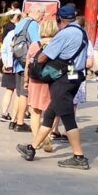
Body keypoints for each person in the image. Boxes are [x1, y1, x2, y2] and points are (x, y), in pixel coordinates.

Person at [17, 3, 91, 169]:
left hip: (63, 79)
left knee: (67, 117)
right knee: (50, 113)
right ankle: (32, 148)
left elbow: (45, 56)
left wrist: (36, 60)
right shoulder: (82, 32)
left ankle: (79, 157)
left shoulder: (64, 34)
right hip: (76, 75)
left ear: (60, 19)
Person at [9, 4, 44, 131]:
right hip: (26, 63)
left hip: (18, 61)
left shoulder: (21, 22)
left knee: (19, 93)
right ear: (37, 12)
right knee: (24, 93)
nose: (43, 17)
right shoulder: (33, 24)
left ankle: (13, 120)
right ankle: (20, 122)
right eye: (42, 14)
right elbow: (36, 43)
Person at [25, 17, 58, 151]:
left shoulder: (35, 44)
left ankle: (36, 140)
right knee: (51, 112)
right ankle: (48, 136)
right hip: (52, 81)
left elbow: (28, 64)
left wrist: (25, 81)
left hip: (36, 81)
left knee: (35, 111)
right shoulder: (57, 44)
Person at [0, 14, 20, 120]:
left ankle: (4, 113)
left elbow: (3, 49)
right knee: (19, 92)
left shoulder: (10, 34)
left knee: (9, 90)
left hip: (9, 65)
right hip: (19, 65)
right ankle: (16, 116)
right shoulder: (23, 34)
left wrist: (5, 62)